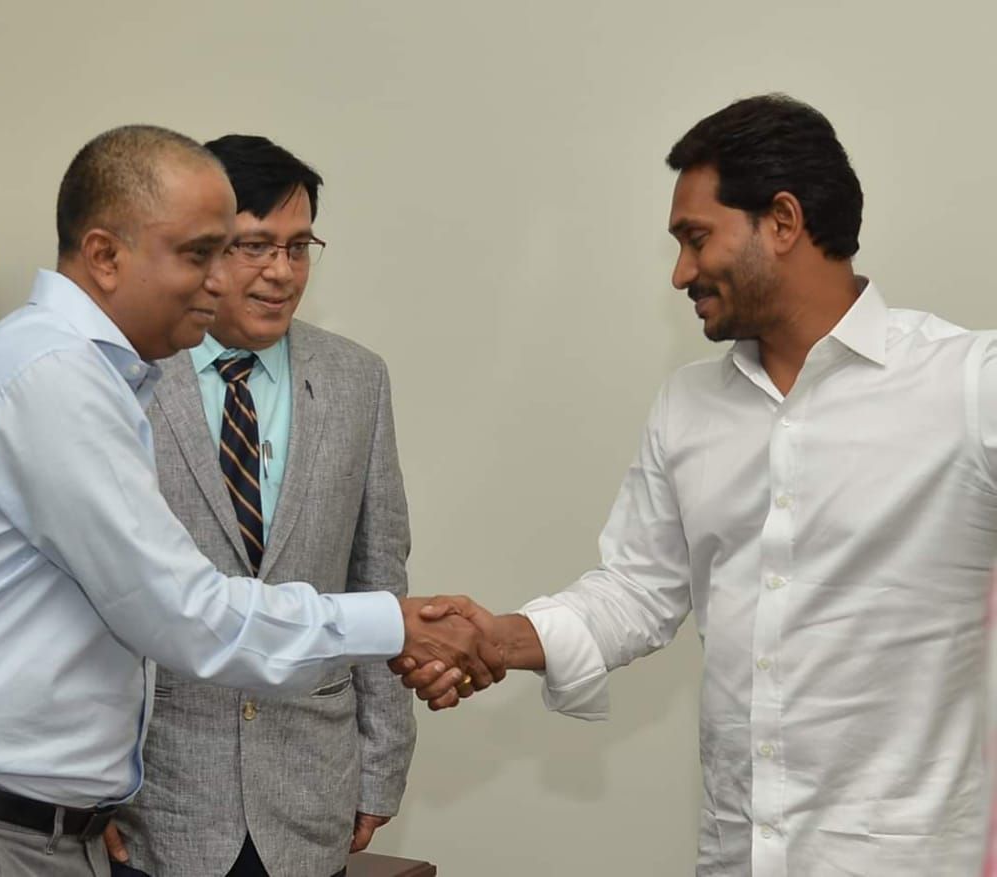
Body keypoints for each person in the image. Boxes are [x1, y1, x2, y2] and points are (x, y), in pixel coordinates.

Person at [0, 124, 498, 876]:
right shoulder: (53, 377)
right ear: (105, 256)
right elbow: (185, 613)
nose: (225, 280)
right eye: (199, 254)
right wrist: (395, 624)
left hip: (15, 825)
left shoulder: (86, 370)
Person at [397, 94, 997, 874]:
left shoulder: (964, 385)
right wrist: (494, 638)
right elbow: (636, 590)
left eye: (695, 237)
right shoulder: (688, 404)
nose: (681, 271)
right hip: (737, 852)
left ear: (782, 222)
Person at [110, 135, 414, 877]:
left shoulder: (355, 379)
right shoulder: (125, 376)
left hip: (309, 789)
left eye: (299, 247)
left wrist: (381, 764)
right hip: (158, 793)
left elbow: (378, 573)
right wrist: (93, 782)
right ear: (203, 249)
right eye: (255, 246)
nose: (282, 272)